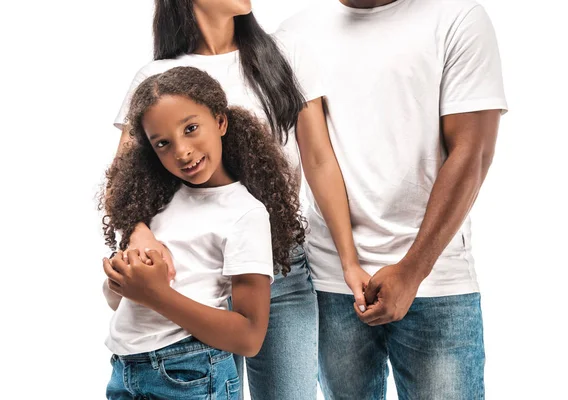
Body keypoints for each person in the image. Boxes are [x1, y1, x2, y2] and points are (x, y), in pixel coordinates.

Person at [111, 1, 362, 398]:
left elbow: (319, 161)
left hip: (281, 266)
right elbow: (124, 180)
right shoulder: (156, 78)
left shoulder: (284, 54)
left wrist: (350, 261)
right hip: (193, 272)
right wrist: (138, 234)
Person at [277, 0, 508, 398]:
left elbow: (472, 154)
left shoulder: (457, 17)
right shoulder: (294, 34)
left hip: (435, 281)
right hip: (334, 283)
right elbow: (309, 156)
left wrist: (412, 271)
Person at [101, 66, 305, 399]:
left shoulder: (245, 213)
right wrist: (121, 281)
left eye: (191, 128)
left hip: (192, 371)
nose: (181, 151)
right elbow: (120, 302)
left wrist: (154, 294)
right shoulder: (153, 200)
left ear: (221, 121)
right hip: (125, 369)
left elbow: (249, 337)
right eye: (163, 143)